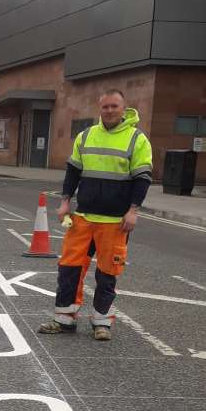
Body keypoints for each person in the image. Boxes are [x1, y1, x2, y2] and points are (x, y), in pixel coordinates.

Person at [44, 89, 152, 342]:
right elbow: (72, 172)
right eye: (105, 107)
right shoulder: (86, 136)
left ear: (124, 109)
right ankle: (64, 319)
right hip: (83, 217)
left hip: (115, 221)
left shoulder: (137, 139)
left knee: (107, 272)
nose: (110, 111)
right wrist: (64, 203)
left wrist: (133, 211)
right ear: (99, 109)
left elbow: (142, 179)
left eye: (115, 106)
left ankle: (101, 323)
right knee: (69, 268)